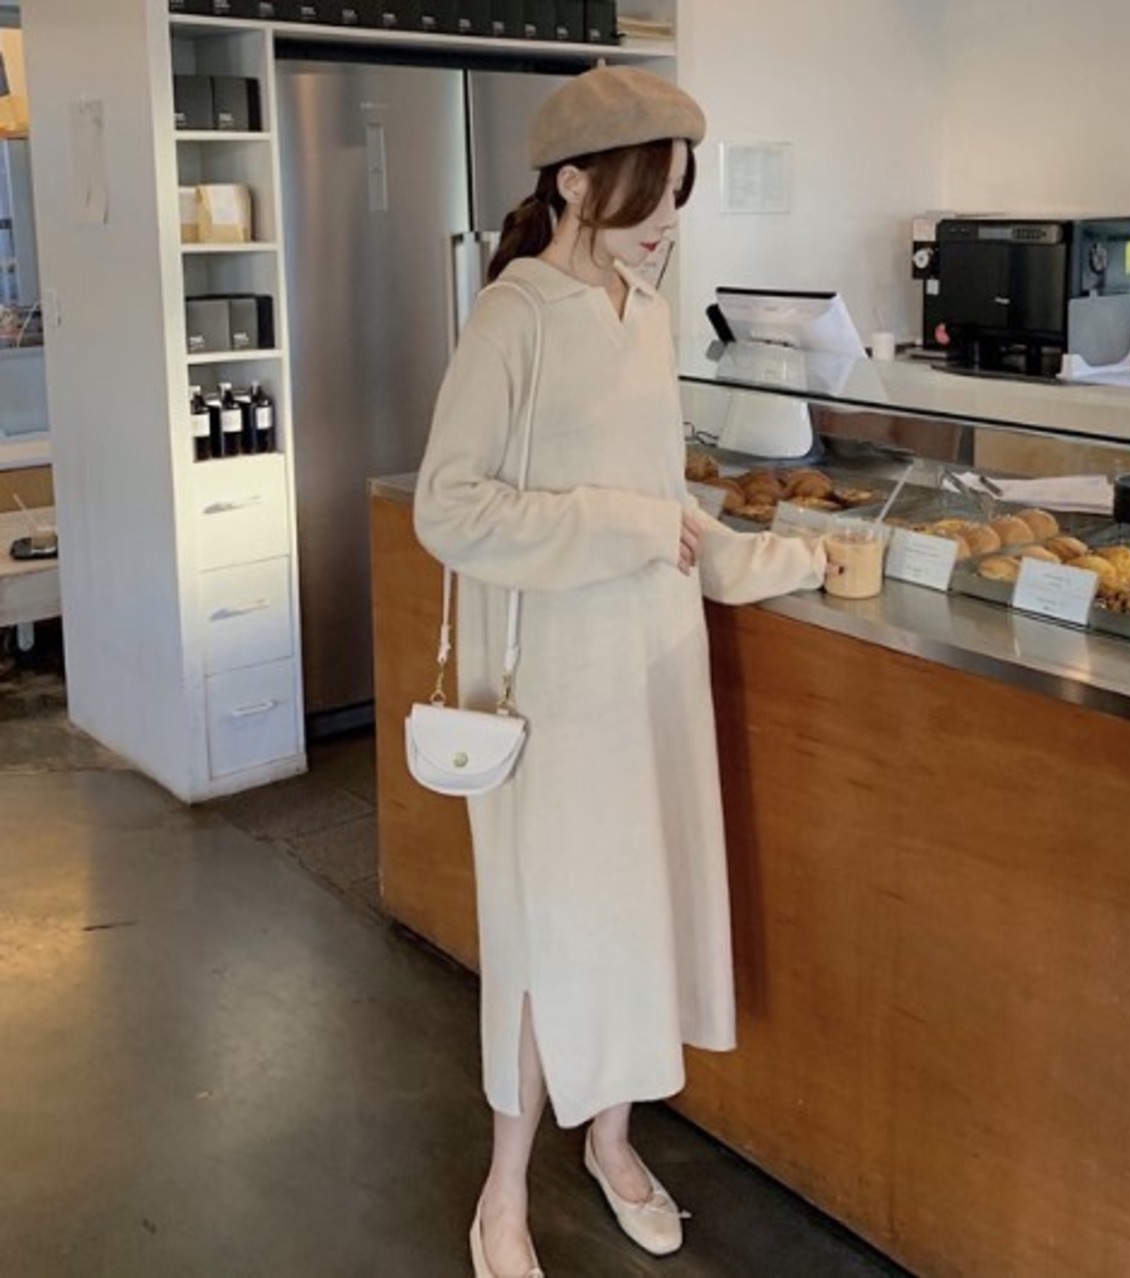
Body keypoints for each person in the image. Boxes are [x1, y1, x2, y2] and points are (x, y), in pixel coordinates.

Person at [413, 65, 824, 1278]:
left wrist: (767, 557)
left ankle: (609, 1141)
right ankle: (501, 1193)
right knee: (541, 936)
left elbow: (661, 503)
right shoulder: (514, 316)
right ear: (576, 184)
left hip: (649, 667)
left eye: (680, 193)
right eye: (650, 192)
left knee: (632, 917)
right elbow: (449, 508)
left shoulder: (644, 312)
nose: (667, 220)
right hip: (547, 688)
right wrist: (631, 527)